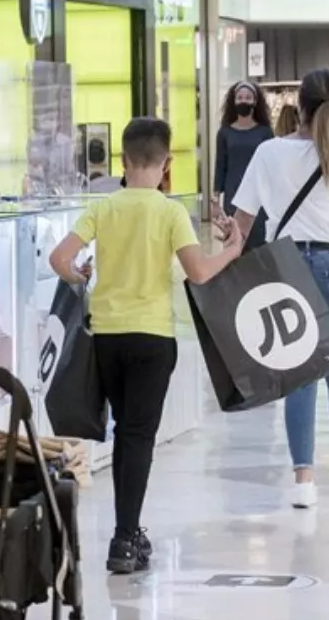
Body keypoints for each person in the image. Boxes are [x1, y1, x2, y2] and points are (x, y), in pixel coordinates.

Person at [51, 117, 241, 574]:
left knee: (125, 435)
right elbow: (198, 272)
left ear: (122, 159)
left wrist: (82, 275)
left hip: (108, 338)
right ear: (166, 163)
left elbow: (60, 258)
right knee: (138, 437)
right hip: (153, 336)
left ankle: (129, 531)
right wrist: (232, 250)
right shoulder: (170, 211)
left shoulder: (105, 207)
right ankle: (124, 538)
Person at [230, 69, 329, 508]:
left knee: (298, 374)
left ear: (300, 104)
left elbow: (243, 219)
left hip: (288, 263)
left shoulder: (269, 152)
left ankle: (304, 481)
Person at [213, 81, 275, 248]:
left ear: (255, 102)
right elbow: (220, 166)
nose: (243, 101)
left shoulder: (265, 132)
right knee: (235, 238)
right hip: (233, 191)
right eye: (239, 98)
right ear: (233, 101)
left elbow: (272, 165)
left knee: (259, 238)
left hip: (260, 192)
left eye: (248, 98)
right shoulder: (225, 132)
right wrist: (215, 200)